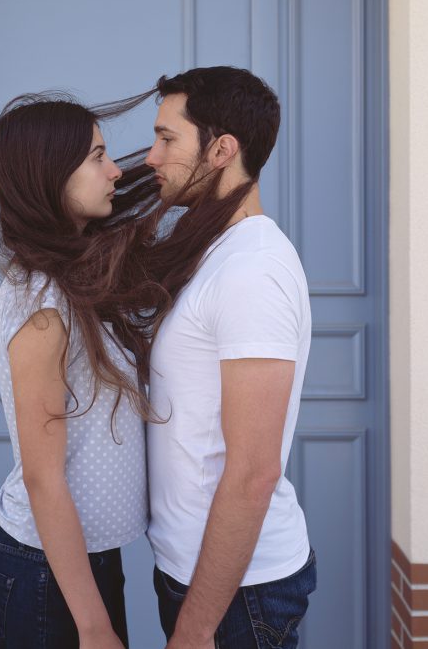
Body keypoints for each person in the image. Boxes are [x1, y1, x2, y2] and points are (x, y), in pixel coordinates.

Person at [144, 66, 317, 649]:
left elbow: (253, 473)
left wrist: (196, 628)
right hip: (200, 575)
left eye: (167, 138)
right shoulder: (216, 251)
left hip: (238, 596)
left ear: (221, 150)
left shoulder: (253, 271)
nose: (150, 157)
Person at [0, 92, 162, 649]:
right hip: (45, 571)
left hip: (82, 560)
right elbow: (43, 476)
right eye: (97, 157)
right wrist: (93, 624)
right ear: (50, 175)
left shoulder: (75, 276)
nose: (115, 171)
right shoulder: (41, 301)